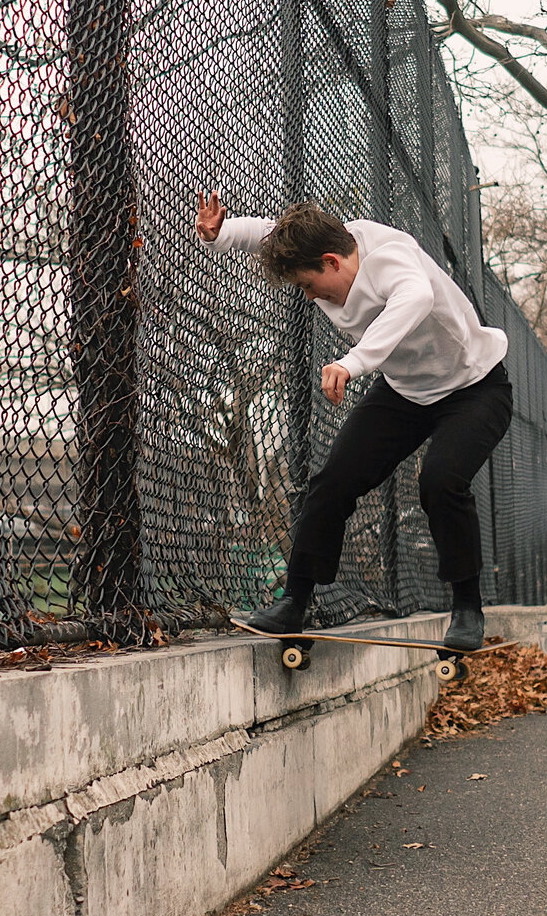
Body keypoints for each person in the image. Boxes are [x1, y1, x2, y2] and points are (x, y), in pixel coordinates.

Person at [197, 194, 512, 653]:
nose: (309, 296)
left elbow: (416, 298)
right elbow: (269, 233)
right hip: (407, 392)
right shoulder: (328, 242)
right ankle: (294, 602)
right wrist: (222, 234)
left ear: (331, 261)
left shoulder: (389, 259)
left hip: (475, 386)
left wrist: (355, 361)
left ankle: (467, 607)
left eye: (309, 284)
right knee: (331, 482)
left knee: (442, 480)